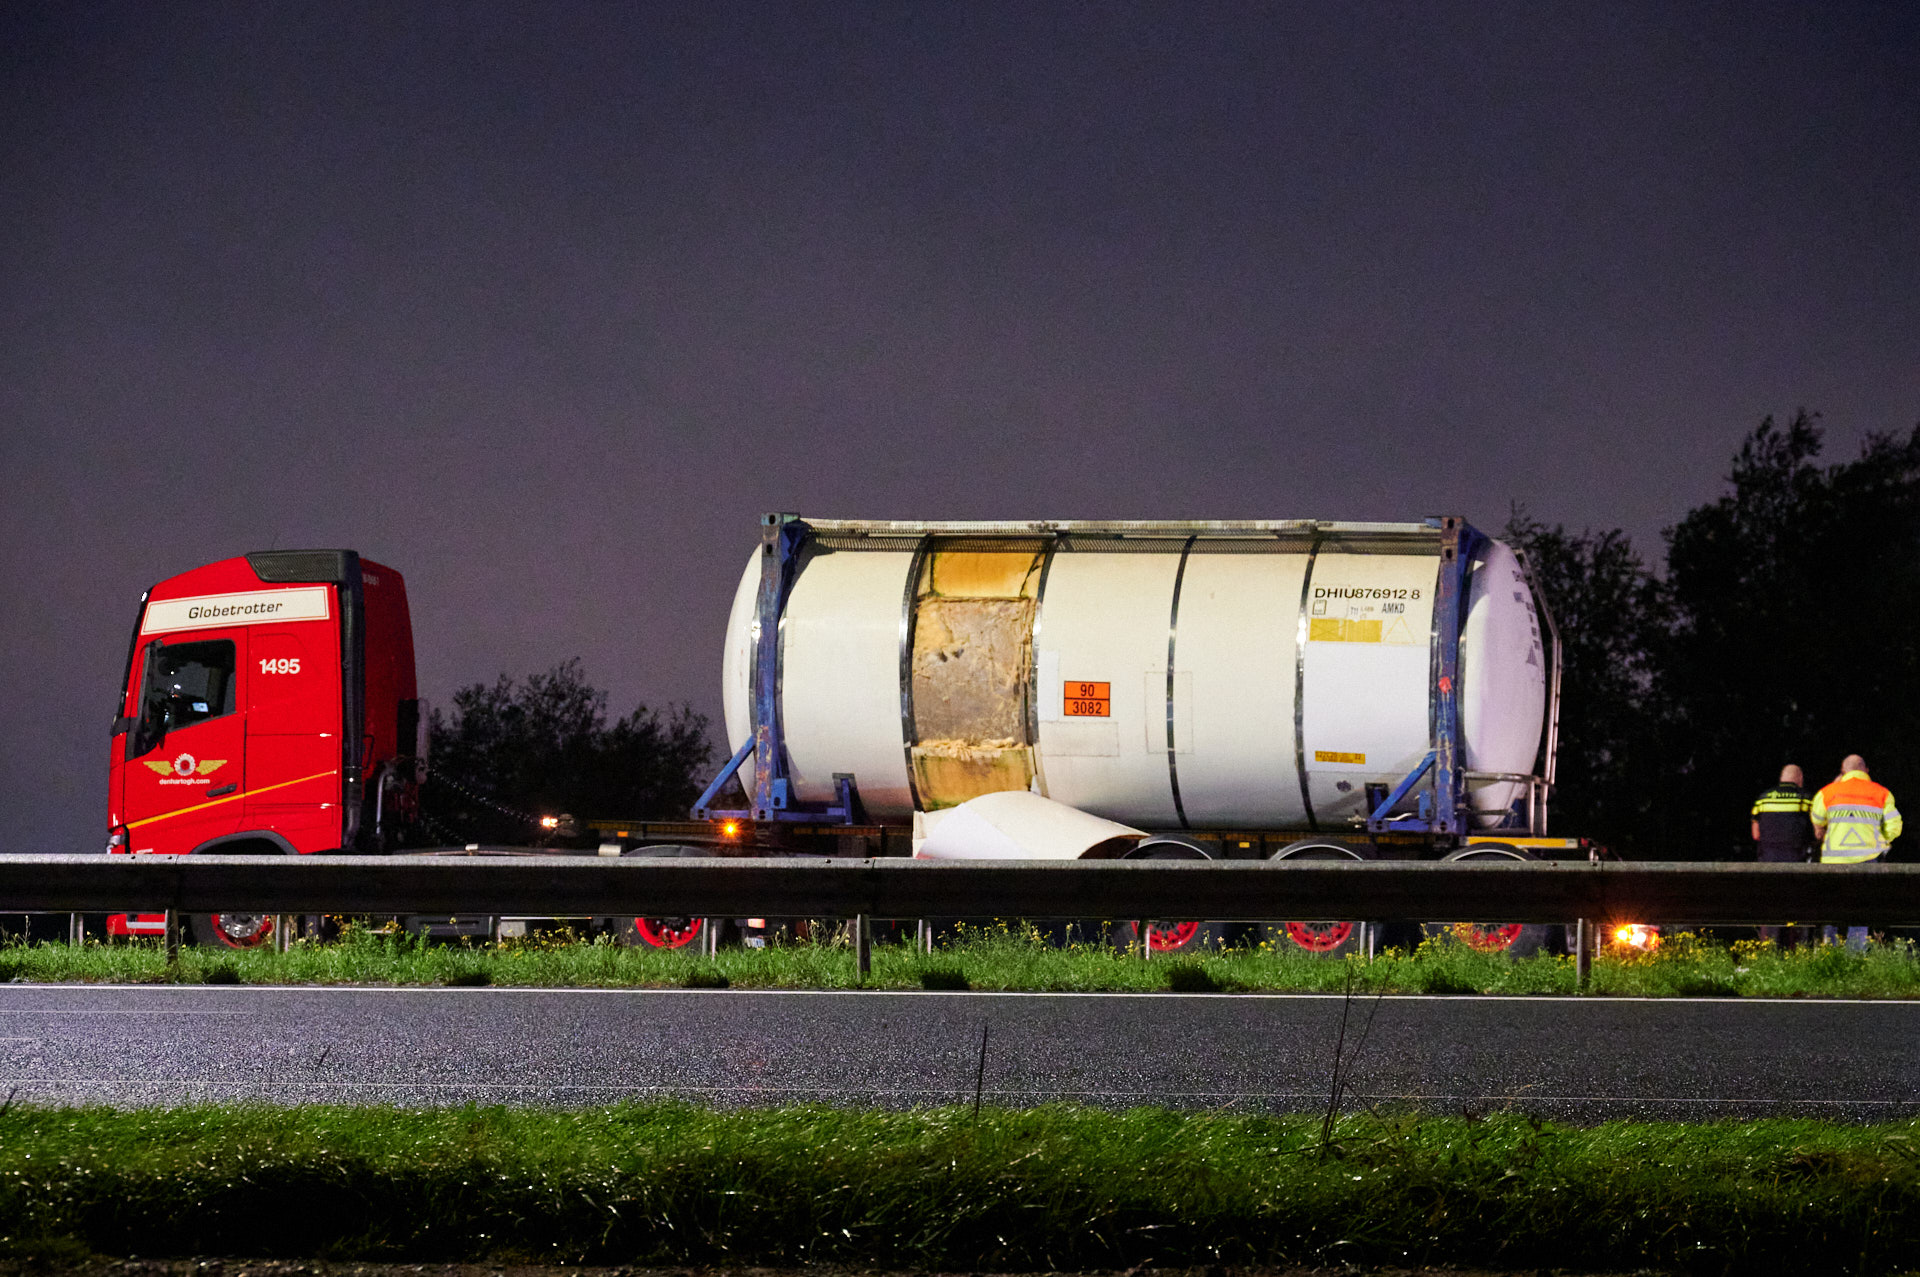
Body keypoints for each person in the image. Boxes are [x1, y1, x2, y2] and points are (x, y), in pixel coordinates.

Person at [1813, 755, 1903, 951]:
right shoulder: (1882, 793)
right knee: (1860, 910)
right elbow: (1895, 827)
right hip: (1867, 860)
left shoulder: (1827, 792)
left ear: (1843, 771)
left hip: (1833, 862)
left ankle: (1829, 952)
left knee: (1831, 910)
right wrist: (1882, 840)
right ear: (1866, 770)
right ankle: (1855, 954)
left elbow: (1817, 820)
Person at [1750, 764, 1815, 946]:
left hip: (1768, 864)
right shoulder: (1805, 798)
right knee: (1795, 910)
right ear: (1800, 779)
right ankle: (1795, 950)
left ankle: (1769, 949)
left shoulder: (1763, 799)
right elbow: (1815, 831)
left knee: (1770, 909)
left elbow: (1755, 834)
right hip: (1796, 864)